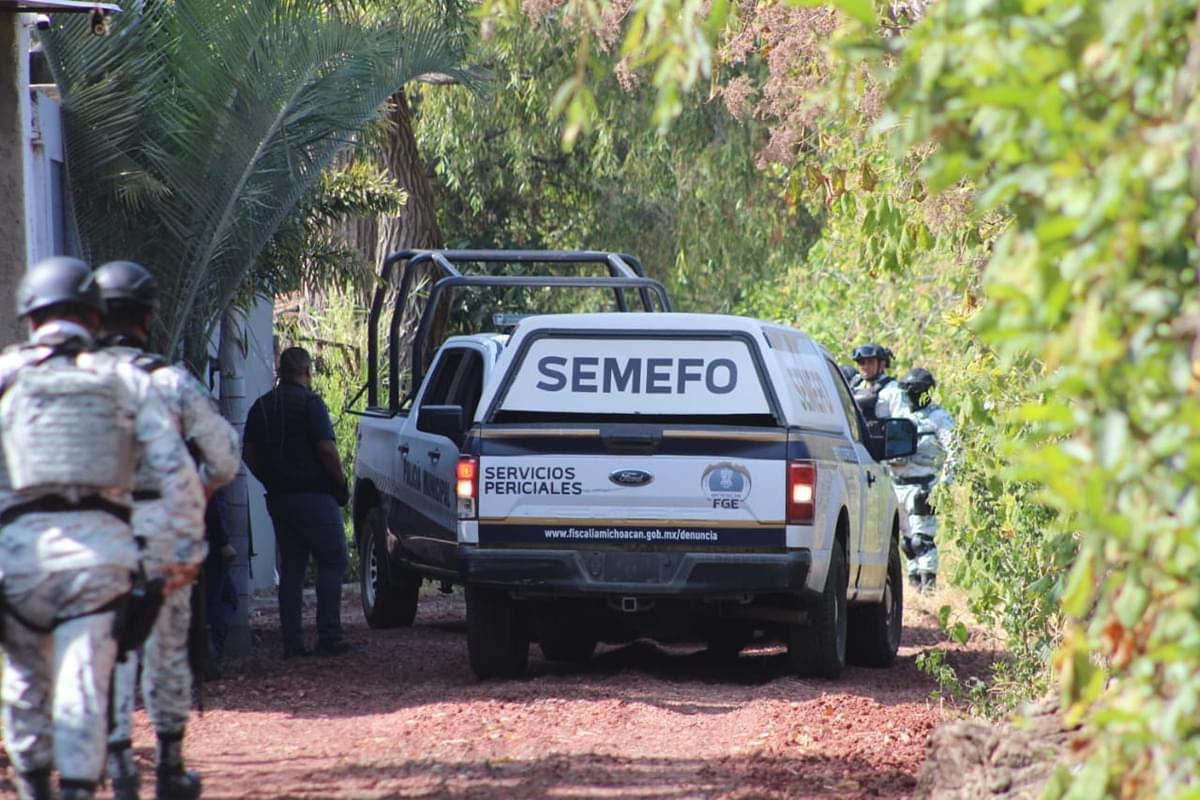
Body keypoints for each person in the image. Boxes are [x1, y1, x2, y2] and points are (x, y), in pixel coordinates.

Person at [0, 257, 204, 800]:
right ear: (93, 318)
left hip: (18, 561)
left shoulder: (6, 375)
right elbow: (176, 469)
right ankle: (82, 786)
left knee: (22, 678)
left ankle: (34, 783)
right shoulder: (124, 378)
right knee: (84, 685)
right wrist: (186, 549)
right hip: (99, 559)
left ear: (30, 317)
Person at [93, 260, 240, 800]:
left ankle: (118, 761)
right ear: (147, 319)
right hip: (160, 534)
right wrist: (194, 487)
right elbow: (223, 460)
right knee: (166, 647)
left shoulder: (68, 382)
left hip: (91, 531)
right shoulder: (171, 382)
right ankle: (171, 765)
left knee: (103, 647)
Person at [242, 346, 352, 659]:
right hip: (314, 495)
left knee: (291, 569)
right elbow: (327, 451)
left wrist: (268, 479)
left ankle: (293, 642)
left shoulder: (261, 407)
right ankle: (329, 635)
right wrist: (340, 484)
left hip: (280, 499)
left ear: (280, 370)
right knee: (332, 560)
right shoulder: (310, 404)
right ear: (307, 373)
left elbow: (248, 452)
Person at [889, 367, 958, 592]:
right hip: (897, 484)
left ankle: (928, 589)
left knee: (922, 540)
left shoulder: (938, 418)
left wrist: (941, 485)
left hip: (923, 485)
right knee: (907, 542)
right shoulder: (901, 416)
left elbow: (955, 451)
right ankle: (914, 586)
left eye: (913, 391)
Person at [850, 342, 909, 422]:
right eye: (861, 363)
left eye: (870, 362)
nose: (865, 367)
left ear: (882, 364)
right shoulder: (853, 387)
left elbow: (901, 423)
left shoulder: (893, 390)